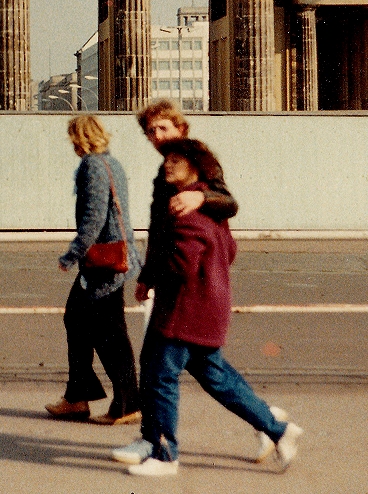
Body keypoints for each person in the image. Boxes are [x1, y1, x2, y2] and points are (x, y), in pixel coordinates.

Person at [117, 138, 303, 477]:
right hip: (209, 308)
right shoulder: (211, 207)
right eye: (166, 159)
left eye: (175, 160)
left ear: (195, 167)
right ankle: (277, 430)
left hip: (182, 313)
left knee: (160, 379)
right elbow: (229, 250)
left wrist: (153, 275)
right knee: (217, 378)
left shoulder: (186, 210)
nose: (167, 164)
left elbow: (181, 265)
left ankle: (165, 456)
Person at [45, 115, 143, 426]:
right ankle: (78, 397)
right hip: (112, 258)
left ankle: (126, 403)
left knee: (107, 330)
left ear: (81, 138)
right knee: (80, 319)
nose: (72, 144)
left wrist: (71, 255)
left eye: (73, 138)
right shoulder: (112, 163)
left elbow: (94, 218)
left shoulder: (92, 166)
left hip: (105, 262)